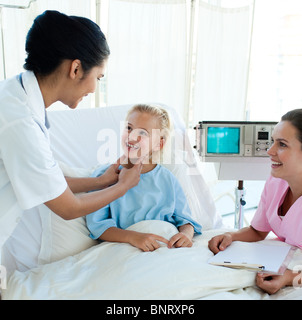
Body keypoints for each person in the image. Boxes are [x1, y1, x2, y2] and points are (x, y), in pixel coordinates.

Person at [0, 10, 142, 249]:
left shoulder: (16, 97)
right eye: (98, 77)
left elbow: (48, 180)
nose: (95, 89)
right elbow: (68, 208)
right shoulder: (21, 122)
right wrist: (123, 186)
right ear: (76, 69)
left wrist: (100, 182)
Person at [208, 108, 302, 294]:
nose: (270, 151)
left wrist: (289, 277)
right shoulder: (275, 182)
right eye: (272, 142)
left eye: (282, 144)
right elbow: (257, 231)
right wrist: (231, 236)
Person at [86, 104, 202, 252]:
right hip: (127, 248)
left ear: (159, 143)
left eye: (143, 132)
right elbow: (98, 226)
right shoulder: (105, 177)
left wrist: (186, 234)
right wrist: (133, 237)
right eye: (129, 128)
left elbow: (185, 220)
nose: (132, 136)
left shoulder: (168, 179)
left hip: (165, 247)